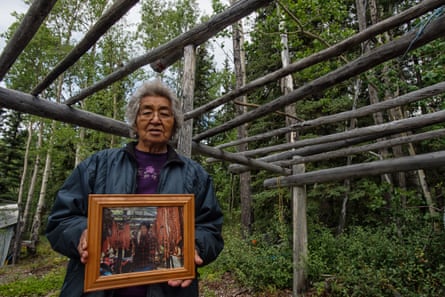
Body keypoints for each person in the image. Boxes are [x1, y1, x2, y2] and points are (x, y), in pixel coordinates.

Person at [46, 79, 224, 297]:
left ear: (175, 123)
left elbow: (211, 229)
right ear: (135, 121)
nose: (156, 120)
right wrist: (82, 233)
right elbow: (60, 220)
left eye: (165, 114)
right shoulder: (97, 165)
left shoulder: (195, 175)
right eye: (147, 112)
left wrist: (194, 248)